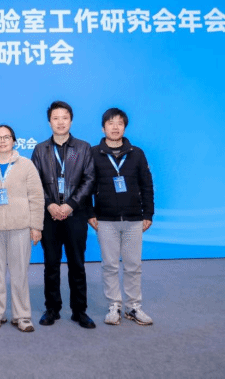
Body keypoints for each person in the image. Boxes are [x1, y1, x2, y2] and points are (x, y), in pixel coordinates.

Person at [0, 125, 44, 332]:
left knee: (19, 273)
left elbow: (36, 197)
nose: (2, 141)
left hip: (20, 227)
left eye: (6, 137)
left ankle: (22, 316)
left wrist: (36, 226)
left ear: (14, 140)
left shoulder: (27, 165)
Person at [31, 101, 97, 329]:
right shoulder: (40, 150)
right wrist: (49, 204)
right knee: (51, 265)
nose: (60, 122)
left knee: (77, 264)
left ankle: (80, 311)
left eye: (65, 117)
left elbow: (89, 180)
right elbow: (34, 182)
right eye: (56, 118)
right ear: (49, 121)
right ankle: (52, 309)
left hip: (75, 215)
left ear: (71, 120)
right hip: (49, 216)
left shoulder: (83, 148)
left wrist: (70, 205)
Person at [87, 108, 155, 326]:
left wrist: (148, 213)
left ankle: (133, 307)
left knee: (133, 265)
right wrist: (90, 213)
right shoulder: (93, 153)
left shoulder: (137, 153)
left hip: (134, 219)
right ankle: (114, 305)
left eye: (119, 123)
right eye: (110, 123)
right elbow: (86, 186)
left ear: (124, 127)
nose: (115, 127)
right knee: (110, 265)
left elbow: (147, 185)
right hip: (105, 219)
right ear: (103, 128)